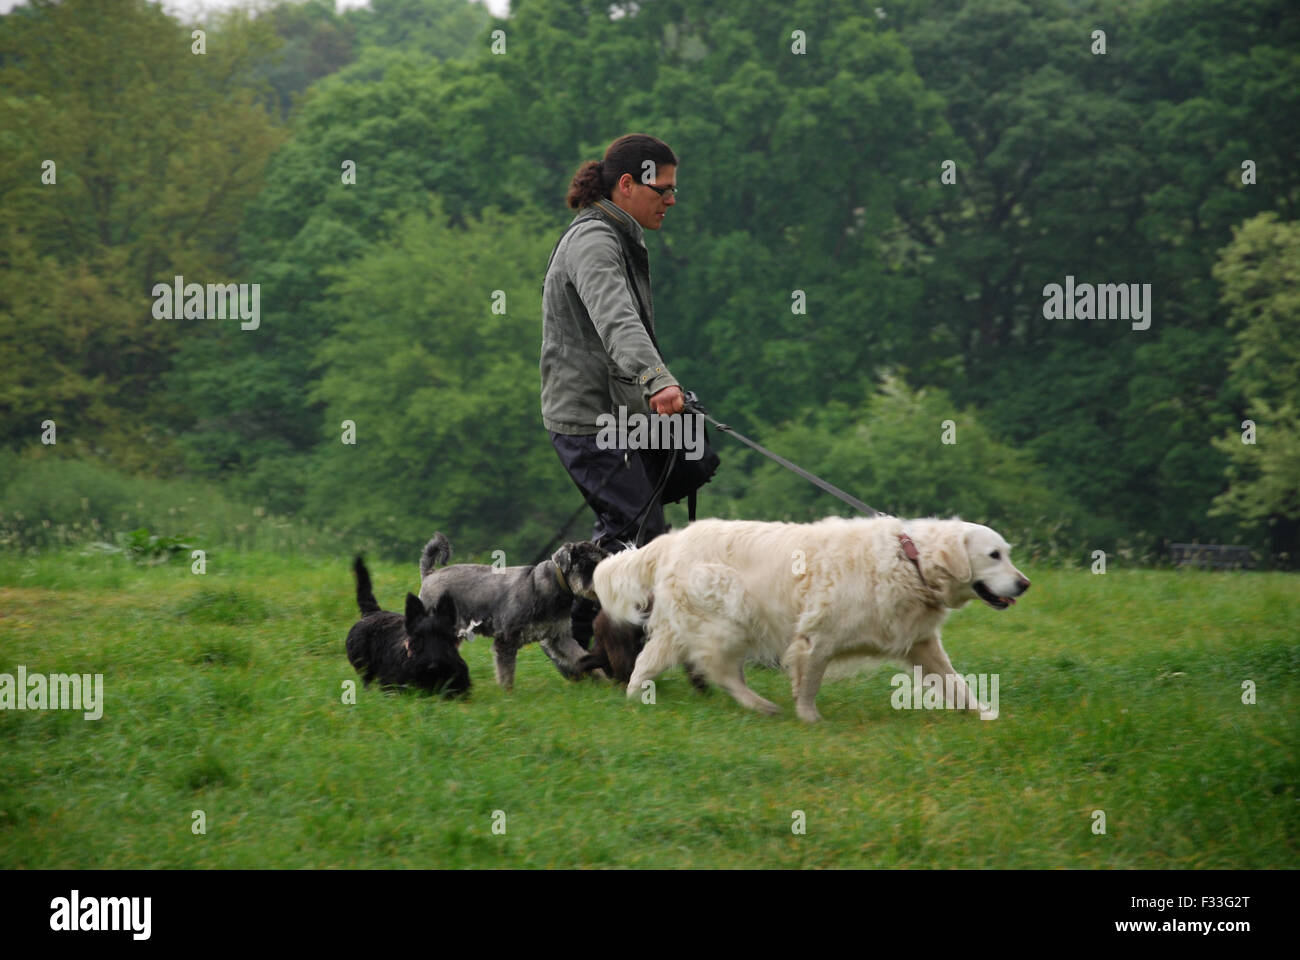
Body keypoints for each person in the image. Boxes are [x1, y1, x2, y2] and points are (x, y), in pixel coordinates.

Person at [541, 133, 715, 647]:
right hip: (589, 420)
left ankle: (581, 638)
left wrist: (664, 393)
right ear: (625, 184)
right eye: (662, 189)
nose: (671, 200)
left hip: (616, 413)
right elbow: (617, 320)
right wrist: (658, 381)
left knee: (629, 530)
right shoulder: (595, 243)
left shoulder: (616, 233)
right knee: (639, 537)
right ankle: (589, 642)